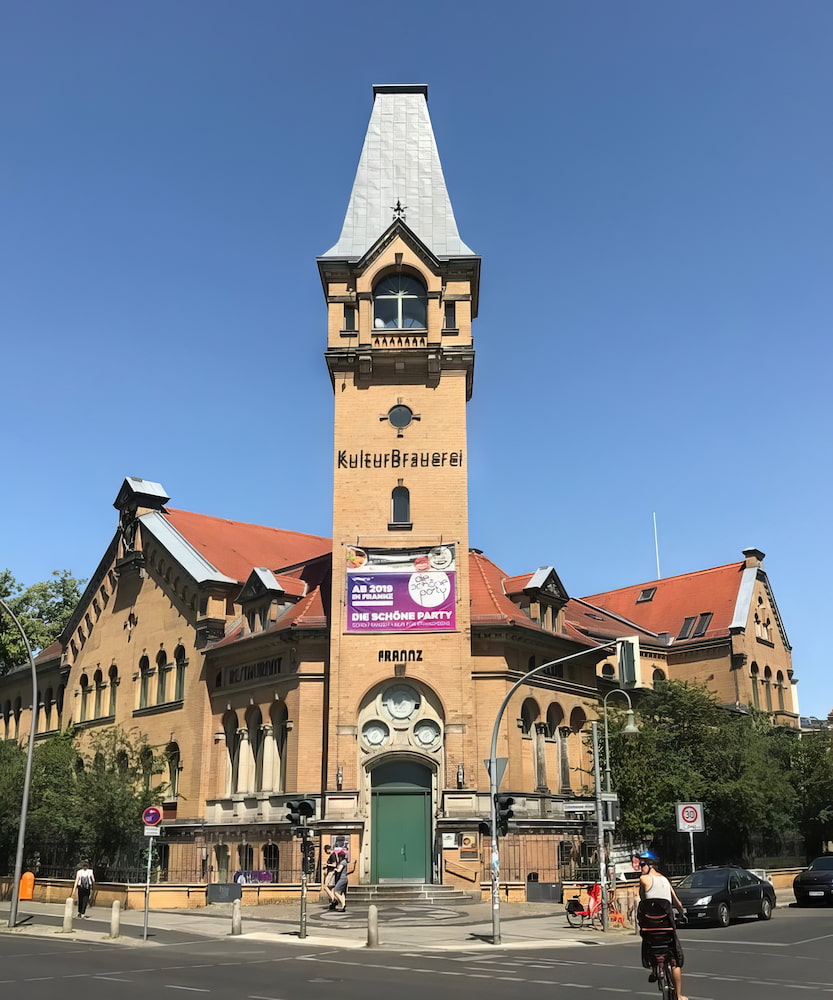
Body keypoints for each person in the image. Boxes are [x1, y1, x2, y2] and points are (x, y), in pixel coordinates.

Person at [637, 851, 687, 1000]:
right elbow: (677, 903)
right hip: (667, 929)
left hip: (650, 929)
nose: (640, 868)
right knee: (675, 961)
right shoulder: (665, 880)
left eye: (642, 864)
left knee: (647, 941)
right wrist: (682, 914)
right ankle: (679, 995)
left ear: (650, 865)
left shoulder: (644, 879)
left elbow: (642, 900)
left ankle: (654, 970)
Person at [331, 848, 351, 912]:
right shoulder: (345, 862)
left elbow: (339, 870)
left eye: (339, 856)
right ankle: (343, 906)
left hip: (342, 879)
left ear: (340, 856)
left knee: (335, 891)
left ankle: (343, 903)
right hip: (345, 879)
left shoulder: (342, 862)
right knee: (342, 893)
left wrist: (335, 869)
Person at [322, 843, 338, 909]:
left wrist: (326, 864)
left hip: (331, 872)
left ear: (328, 849)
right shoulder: (333, 855)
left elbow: (334, 865)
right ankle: (333, 903)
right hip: (332, 872)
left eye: (325, 851)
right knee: (331, 888)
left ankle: (334, 899)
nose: (326, 853)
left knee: (325, 887)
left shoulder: (332, 855)